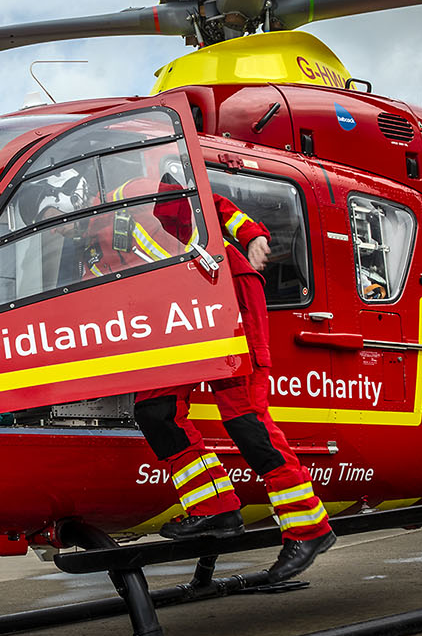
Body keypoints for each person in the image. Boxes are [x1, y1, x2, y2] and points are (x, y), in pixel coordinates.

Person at [128, 185, 336, 585]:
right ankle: (215, 508)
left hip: (226, 291)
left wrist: (251, 234)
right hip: (175, 311)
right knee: (155, 412)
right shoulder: (83, 241)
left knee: (246, 421)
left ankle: (309, 527)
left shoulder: (129, 184)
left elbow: (195, 192)